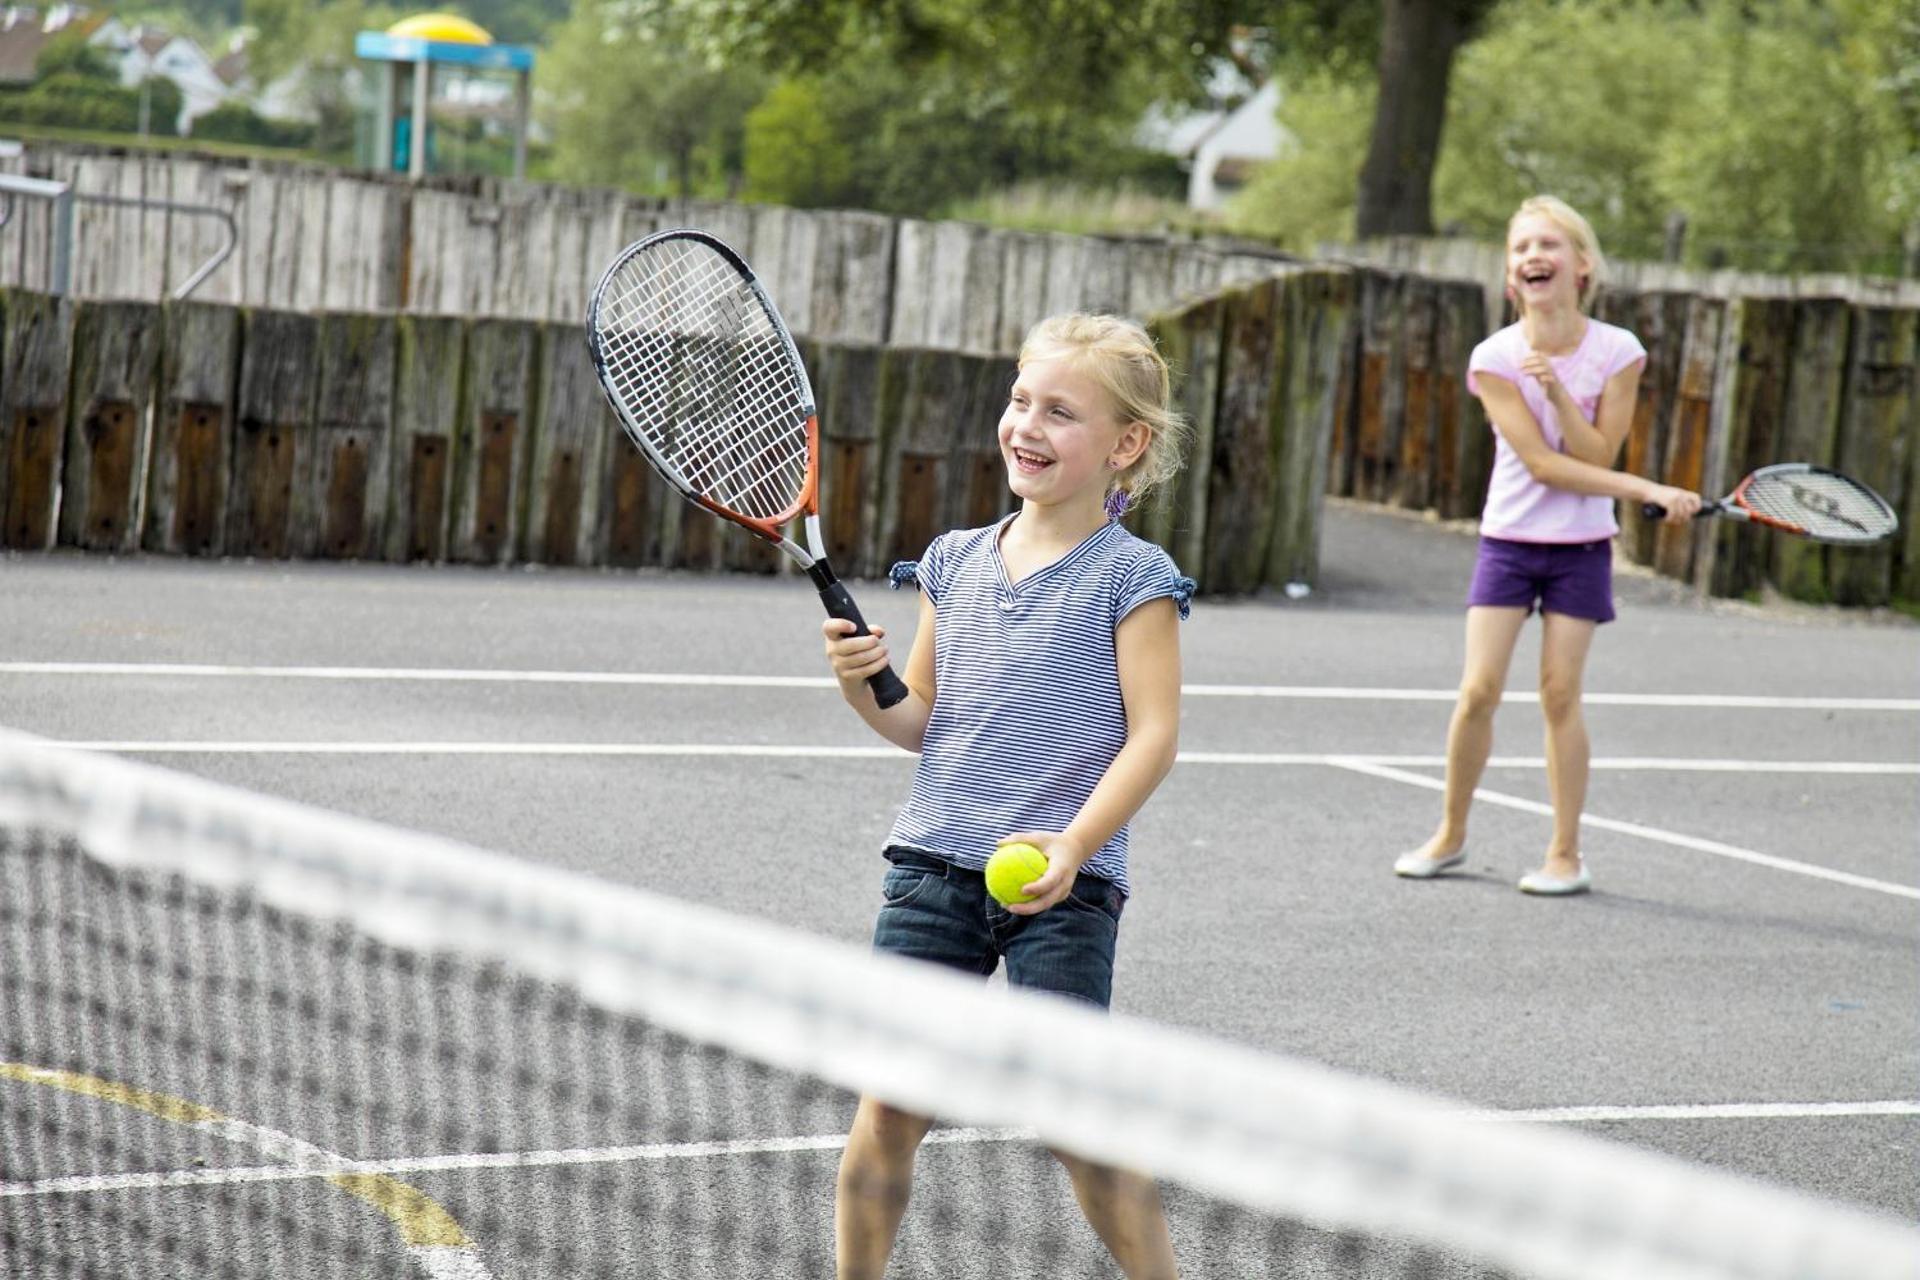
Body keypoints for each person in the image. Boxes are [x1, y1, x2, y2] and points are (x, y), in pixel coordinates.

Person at [821, 313, 1194, 1279]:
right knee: (889, 1108)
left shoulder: (1133, 578)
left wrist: (1074, 846)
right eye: (1021, 400)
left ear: (1126, 444)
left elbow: (1154, 737)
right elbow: (919, 721)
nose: (1028, 424)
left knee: (1080, 1123)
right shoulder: (952, 559)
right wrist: (863, 683)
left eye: (1061, 412)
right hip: (932, 873)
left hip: (1061, 892)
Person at [1393, 195, 1702, 896]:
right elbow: (1543, 465)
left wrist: (1561, 393)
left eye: (1549, 245)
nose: (1534, 256)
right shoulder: (1494, 357)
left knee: (1561, 695)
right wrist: (1646, 489)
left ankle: (1565, 854)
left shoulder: (1618, 352)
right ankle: (1450, 836)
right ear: (1511, 278)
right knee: (1479, 690)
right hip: (1509, 540)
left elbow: (1594, 448)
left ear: (1581, 266)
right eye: (1521, 248)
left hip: (1581, 547)